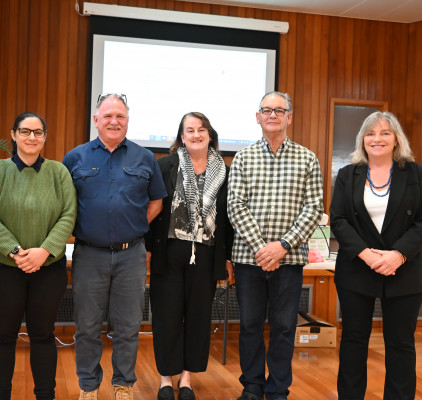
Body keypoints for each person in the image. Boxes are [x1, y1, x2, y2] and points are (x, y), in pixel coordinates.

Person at [62, 93, 167, 400]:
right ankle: (88, 387)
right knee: (87, 326)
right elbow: (64, 204)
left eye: (120, 116)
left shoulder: (145, 158)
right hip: (88, 254)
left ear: (127, 121)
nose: (114, 121)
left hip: (131, 255)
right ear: (96, 120)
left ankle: (123, 385)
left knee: (128, 327)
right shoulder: (75, 158)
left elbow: (157, 201)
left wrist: (134, 226)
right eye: (107, 116)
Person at [330, 111, 422, 400]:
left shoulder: (416, 173)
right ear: (362, 139)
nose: (377, 139)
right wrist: (365, 254)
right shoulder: (347, 174)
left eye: (385, 133)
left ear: (396, 139)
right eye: (371, 133)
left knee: (400, 344)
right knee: (353, 341)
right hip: (357, 268)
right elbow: (338, 219)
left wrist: (398, 255)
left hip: (404, 270)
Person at [227, 91, 323, 400]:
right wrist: (262, 249)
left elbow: (314, 209)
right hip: (249, 259)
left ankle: (278, 389)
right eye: (266, 110)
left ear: (289, 117)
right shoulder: (243, 157)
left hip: (289, 260)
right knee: (250, 326)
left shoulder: (307, 158)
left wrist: (282, 246)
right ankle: (252, 388)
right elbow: (235, 206)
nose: (272, 115)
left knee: (284, 327)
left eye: (279, 111)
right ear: (257, 117)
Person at [0, 112, 76, 400]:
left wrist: (44, 251)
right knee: (3, 334)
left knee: (43, 334)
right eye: (25, 131)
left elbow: (69, 214)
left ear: (45, 137)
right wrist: (16, 251)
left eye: (38, 132)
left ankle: (46, 395)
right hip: (4, 268)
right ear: (14, 135)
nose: (32, 137)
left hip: (49, 268)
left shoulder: (59, 172)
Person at [146, 112, 234, 400]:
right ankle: (165, 379)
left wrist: (228, 258)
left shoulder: (226, 172)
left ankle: (186, 379)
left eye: (202, 129)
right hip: (168, 253)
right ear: (182, 137)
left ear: (210, 135)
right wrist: (148, 249)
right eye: (190, 130)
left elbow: (228, 219)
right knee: (166, 316)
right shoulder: (166, 166)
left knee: (197, 317)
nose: (196, 135)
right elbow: (153, 207)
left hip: (206, 256)